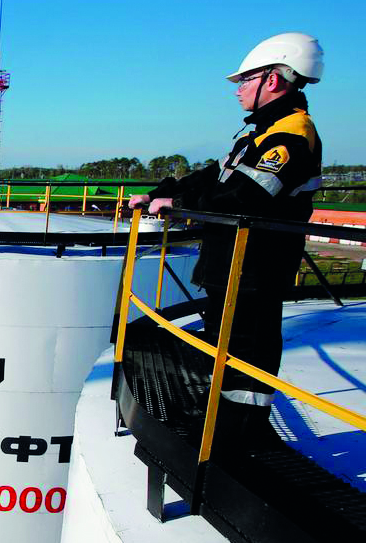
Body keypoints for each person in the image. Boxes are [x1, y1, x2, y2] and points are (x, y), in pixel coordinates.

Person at [129, 32, 325, 446]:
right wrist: (160, 193)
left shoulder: (290, 135)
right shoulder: (259, 133)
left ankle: (239, 438)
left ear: (273, 79)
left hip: (256, 268)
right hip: (233, 266)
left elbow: (246, 196)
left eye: (245, 80)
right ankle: (220, 425)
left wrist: (177, 203)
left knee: (247, 354)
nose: (238, 90)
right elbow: (211, 178)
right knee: (226, 348)